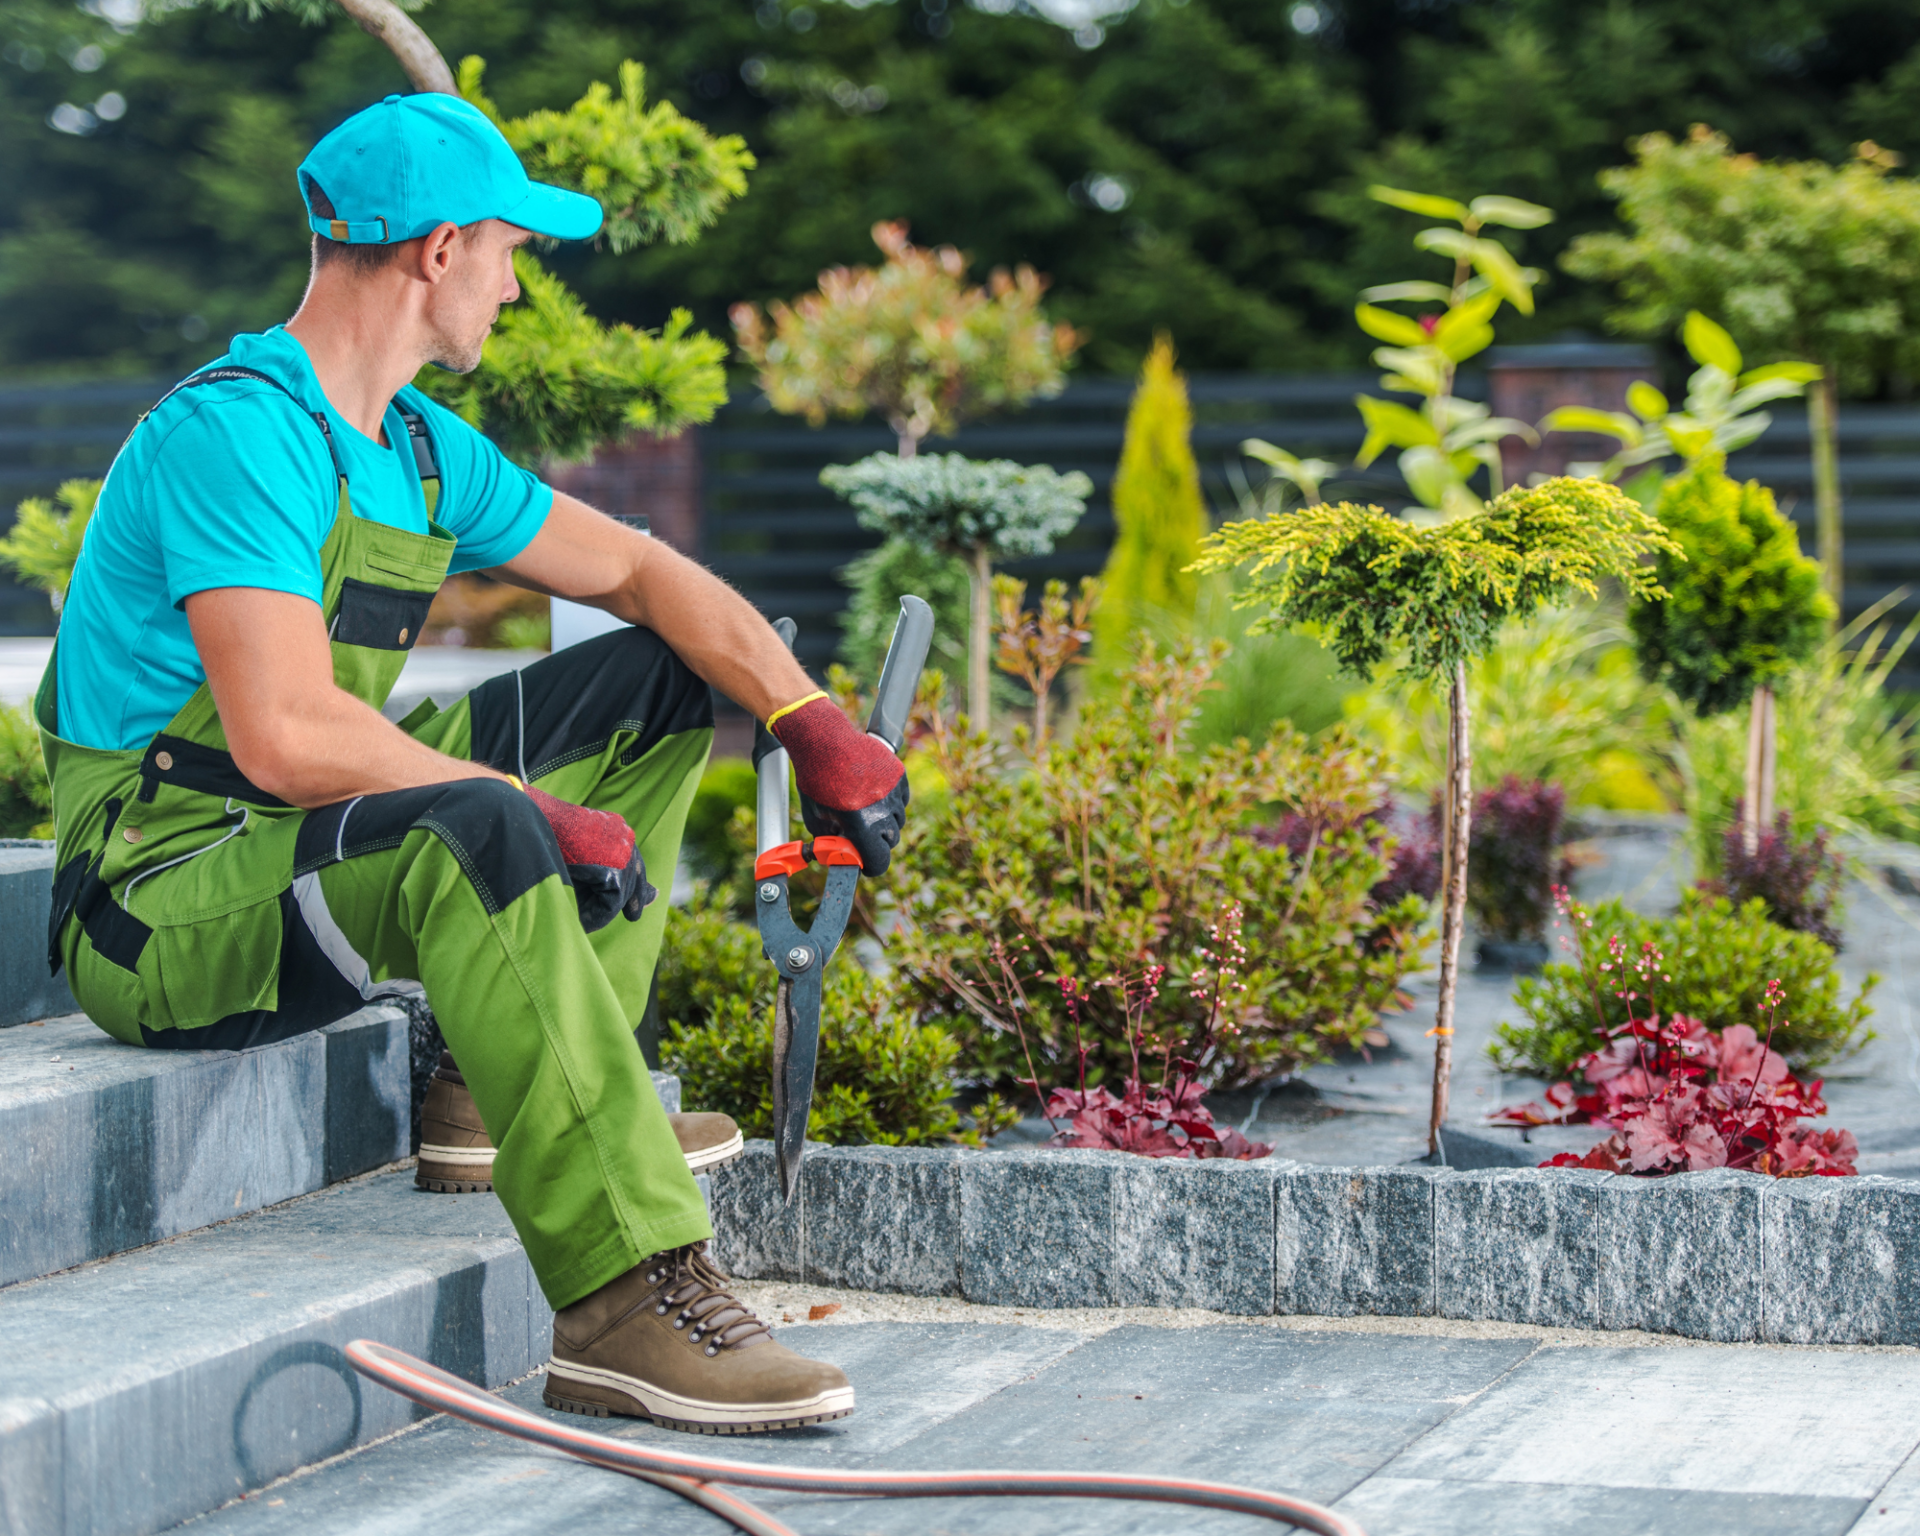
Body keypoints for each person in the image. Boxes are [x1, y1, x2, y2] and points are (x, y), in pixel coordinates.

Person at [34, 91, 910, 1435]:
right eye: (509, 247)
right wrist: (518, 805)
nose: (515, 282)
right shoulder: (238, 432)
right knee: (475, 827)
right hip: (161, 898)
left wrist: (805, 714)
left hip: (288, 837)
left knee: (655, 680)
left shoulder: (425, 456)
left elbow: (638, 569)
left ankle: (510, 1094)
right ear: (439, 250)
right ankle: (628, 1302)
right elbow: (281, 733)